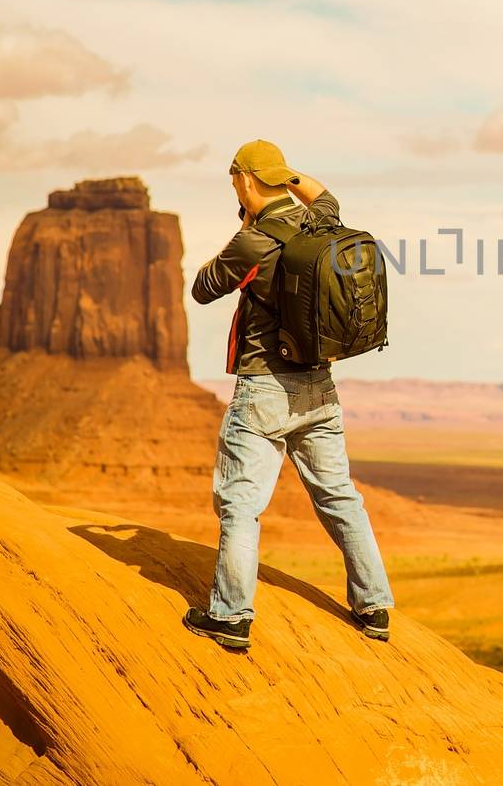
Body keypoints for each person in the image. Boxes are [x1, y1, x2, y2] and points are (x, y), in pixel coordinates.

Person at [181, 139, 394, 650]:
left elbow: (204, 287)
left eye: (236, 179)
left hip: (264, 390)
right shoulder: (318, 222)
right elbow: (325, 196)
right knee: (341, 496)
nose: (236, 186)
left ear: (246, 181)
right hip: (318, 387)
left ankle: (230, 616)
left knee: (240, 504)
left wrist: (246, 229)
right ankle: (375, 606)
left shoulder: (255, 240)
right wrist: (284, 176)